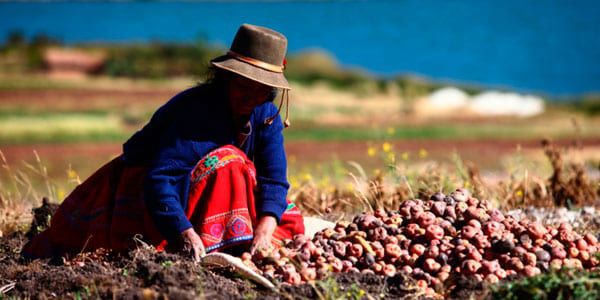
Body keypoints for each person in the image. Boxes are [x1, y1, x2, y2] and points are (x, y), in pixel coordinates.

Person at [22, 24, 305, 261]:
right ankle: (221, 237)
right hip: (148, 188)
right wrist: (184, 233)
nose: (251, 97)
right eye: (244, 86)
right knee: (230, 163)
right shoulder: (196, 112)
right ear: (226, 78)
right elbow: (161, 178)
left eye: (261, 90)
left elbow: (273, 178)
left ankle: (234, 234)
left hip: (202, 190)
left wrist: (265, 229)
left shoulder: (266, 115)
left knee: (283, 214)